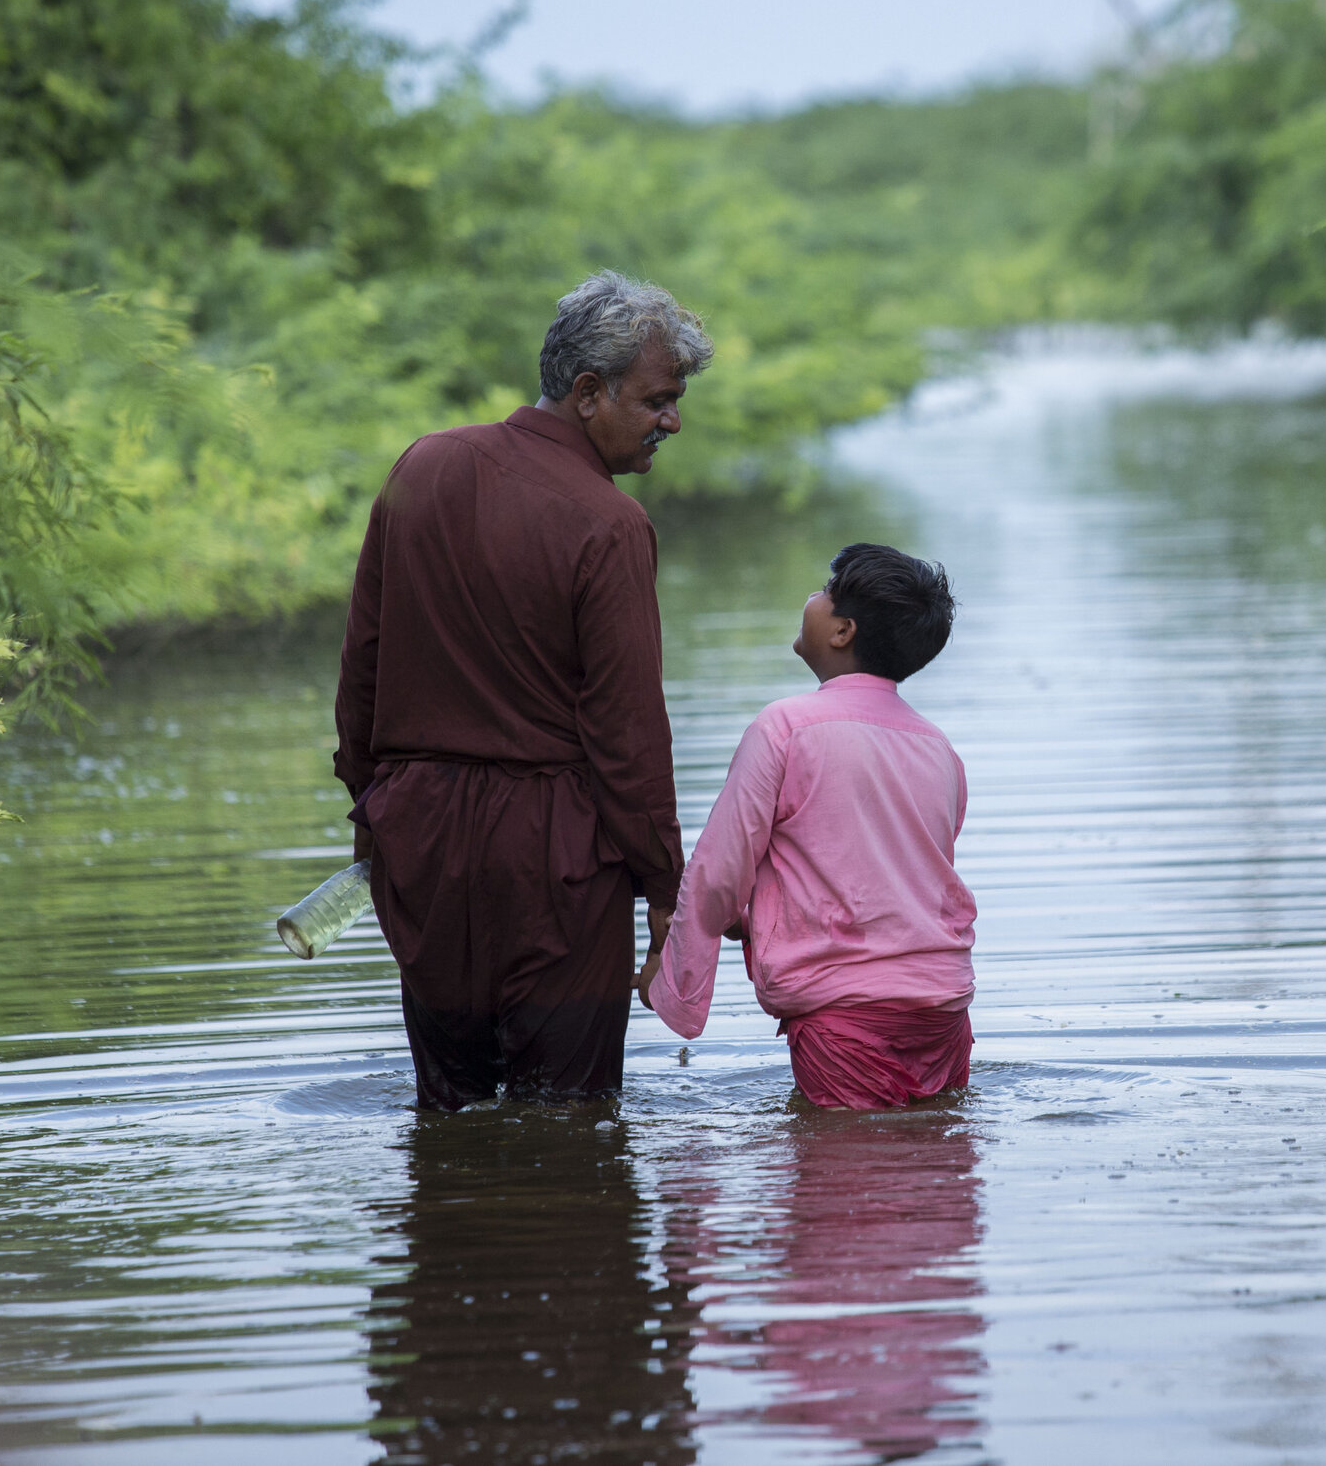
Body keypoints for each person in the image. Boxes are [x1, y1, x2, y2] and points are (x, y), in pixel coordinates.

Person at [334, 271, 710, 1109]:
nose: (672, 421)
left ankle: (458, 1231)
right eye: (658, 400)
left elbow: (362, 656)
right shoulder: (609, 523)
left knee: (450, 1109)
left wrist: (373, 808)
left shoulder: (422, 466)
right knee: (567, 1118)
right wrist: (664, 888)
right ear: (587, 392)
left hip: (423, 838)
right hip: (556, 853)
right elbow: (628, 734)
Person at [641, 543, 977, 1109]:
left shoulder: (787, 727)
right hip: (943, 1008)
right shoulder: (937, 747)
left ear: (842, 630)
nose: (810, 597)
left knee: (839, 1182)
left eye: (824, 590)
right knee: (933, 1182)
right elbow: (892, 883)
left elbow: (720, 871)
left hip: (845, 1017)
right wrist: (753, 921)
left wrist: (669, 976)